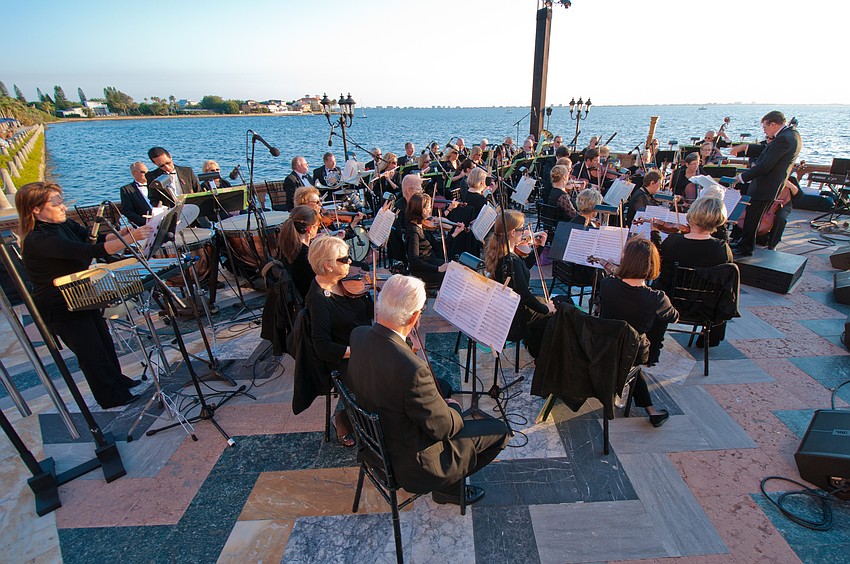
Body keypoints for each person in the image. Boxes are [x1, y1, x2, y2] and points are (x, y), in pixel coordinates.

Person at [346, 274, 509, 505]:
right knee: (499, 430)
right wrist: (453, 409)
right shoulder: (412, 370)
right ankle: (448, 489)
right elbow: (444, 428)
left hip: (376, 440)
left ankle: (450, 481)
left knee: (442, 385)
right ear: (414, 316)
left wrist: (404, 344)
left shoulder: (358, 335)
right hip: (412, 464)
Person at [16, 182, 151, 409]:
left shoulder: (63, 223)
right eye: (56, 204)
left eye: (61, 202)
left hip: (81, 293)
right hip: (59, 303)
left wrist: (122, 233)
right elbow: (88, 252)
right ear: (36, 209)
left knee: (104, 341)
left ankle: (117, 382)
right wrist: (131, 238)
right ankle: (110, 397)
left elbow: (94, 240)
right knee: (90, 351)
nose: (62, 208)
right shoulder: (38, 240)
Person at [597, 237, 678, 427]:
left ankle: (650, 409)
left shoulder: (607, 285)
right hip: (634, 351)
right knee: (633, 356)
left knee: (625, 354)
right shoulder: (656, 298)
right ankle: (651, 411)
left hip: (603, 344)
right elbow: (673, 317)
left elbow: (617, 281)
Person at [306, 236, 373, 446]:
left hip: (363, 343)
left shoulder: (342, 283)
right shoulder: (319, 300)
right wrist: (359, 350)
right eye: (344, 259)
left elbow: (363, 312)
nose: (350, 263)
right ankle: (344, 419)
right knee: (384, 384)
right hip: (343, 357)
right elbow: (322, 347)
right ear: (328, 265)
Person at [650, 195, 733, 349]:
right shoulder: (722, 249)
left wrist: (655, 233)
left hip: (670, 303)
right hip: (705, 308)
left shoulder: (674, 241)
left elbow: (657, 263)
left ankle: (653, 338)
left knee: (656, 284)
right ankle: (708, 340)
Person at [484, 210, 554, 358]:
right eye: (522, 229)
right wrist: (545, 309)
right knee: (558, 310)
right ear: (513, 232)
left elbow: (523, 269)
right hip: (516, 318)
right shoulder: (511, 261)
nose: (526, 233)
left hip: (508, 308)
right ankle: (540, 353)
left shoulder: (503, 254)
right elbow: (525, 296)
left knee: (556, 304)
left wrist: (539, 248)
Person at [732, 111, 802, 257]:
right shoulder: (790, 135)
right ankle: (744, 242)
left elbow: (765, 165)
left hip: (766, 185)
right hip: (768, 185)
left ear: (773, 124)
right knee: (752, 215)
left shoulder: (784, 139)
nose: (764, 130)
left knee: (753, 217)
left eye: (765, 126)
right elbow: (767, 150)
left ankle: (746, 247)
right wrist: (746, 148)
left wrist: (742, 177)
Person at [406, 193, 464, 285]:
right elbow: (414, 261)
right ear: (423, 210)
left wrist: (454, 234)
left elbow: (437, 247)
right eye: (429, 207)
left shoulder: (422, 226)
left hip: (432, 262)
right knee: (456, 277)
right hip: (425, 271)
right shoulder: (414, 232)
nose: (431, 210)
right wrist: (438, 269)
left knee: (460, 270)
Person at [277, 205, 321, 299]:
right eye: (317, 226)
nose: (318, 229)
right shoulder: (306, 255)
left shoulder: (287, 246)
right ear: (310, 229)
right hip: (311, 299)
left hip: (298, 297)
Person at [119, 161, 152, 227]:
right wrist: (144, 221)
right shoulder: (127, 189)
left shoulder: (155, 184)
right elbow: (128, 211)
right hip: (145, 224)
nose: (146, 174)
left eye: (147, 172)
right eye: (143, 172)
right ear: (134, 173)